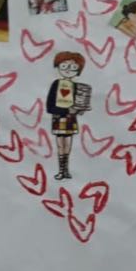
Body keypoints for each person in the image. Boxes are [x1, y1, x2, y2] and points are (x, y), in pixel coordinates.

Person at [46, 51, 88, 180]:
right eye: (64, 66)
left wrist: (80, 109)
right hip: (58, 118)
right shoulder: (56, 84)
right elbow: (49, 105)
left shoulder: (76, 86)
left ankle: (65, 170)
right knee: (60, 144)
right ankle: (61, 171)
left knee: (68, 144)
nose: (68, 70)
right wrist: (64, 111)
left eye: (73, 67)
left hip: (70, 119)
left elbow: (80, 103)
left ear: (78, 71)